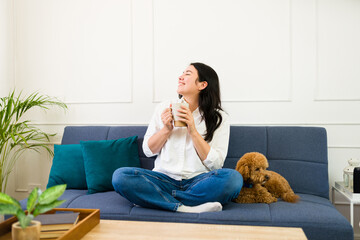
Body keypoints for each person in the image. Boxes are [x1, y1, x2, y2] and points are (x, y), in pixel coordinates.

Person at [112, 62, 243, 213]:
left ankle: (157, 200)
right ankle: (185, 207)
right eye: (182, 73)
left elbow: (216, 164)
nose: (180, 77)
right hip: (162, 180)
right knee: (120, 176)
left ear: (202, 84)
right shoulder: (164, 107)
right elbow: (148, 150)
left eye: (187, 74)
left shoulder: (220, 118)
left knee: (233, 179)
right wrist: (166, 129)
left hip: (198, 182)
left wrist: (193, 131)